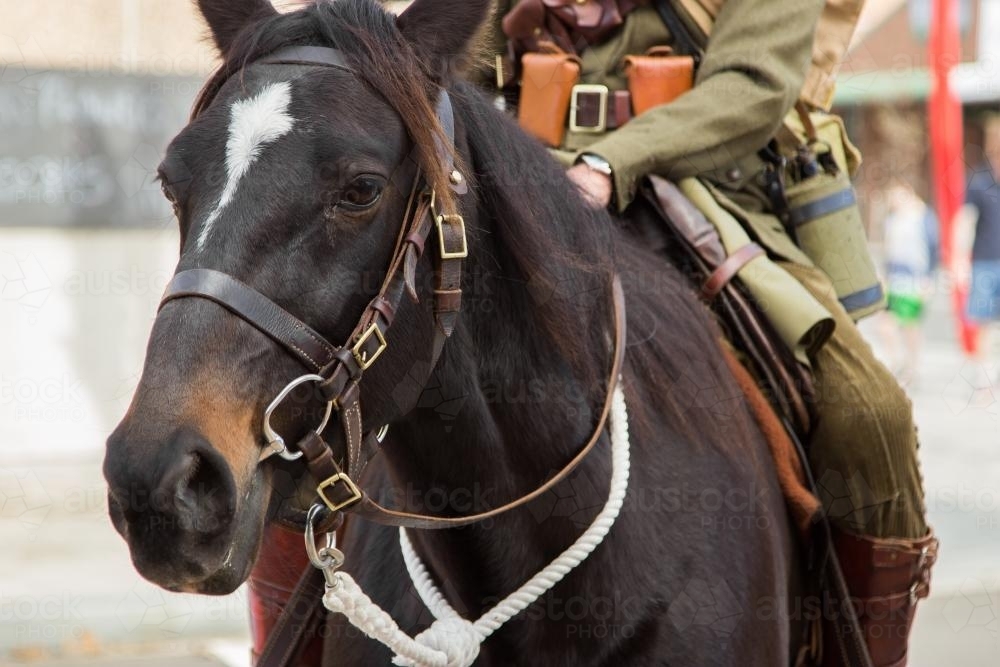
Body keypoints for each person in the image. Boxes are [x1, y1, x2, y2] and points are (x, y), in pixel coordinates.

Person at [475, 1, 935, 664]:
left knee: (871, 417)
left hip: (708, 188)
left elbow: (754, 85)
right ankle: (302, 635)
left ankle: (861, 651)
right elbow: (443, 50)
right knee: (327, 369)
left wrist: (608, 164)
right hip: (519, 179)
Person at [880, 178, 938, 386]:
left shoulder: (924, 217)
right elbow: (888, 250)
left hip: (914, 278)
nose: (893, 202)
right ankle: (896, 362)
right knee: (886, 324)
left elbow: (934, 249)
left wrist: (929, 279)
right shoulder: (892, 219)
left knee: (910, 326)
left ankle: (912, 367)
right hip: (894, 277)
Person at [965, 115, 1000, 362]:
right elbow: (965, 221)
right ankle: (983, 380)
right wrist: (958, 257)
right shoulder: (979, 181)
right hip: (985, 262)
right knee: (984, 322)